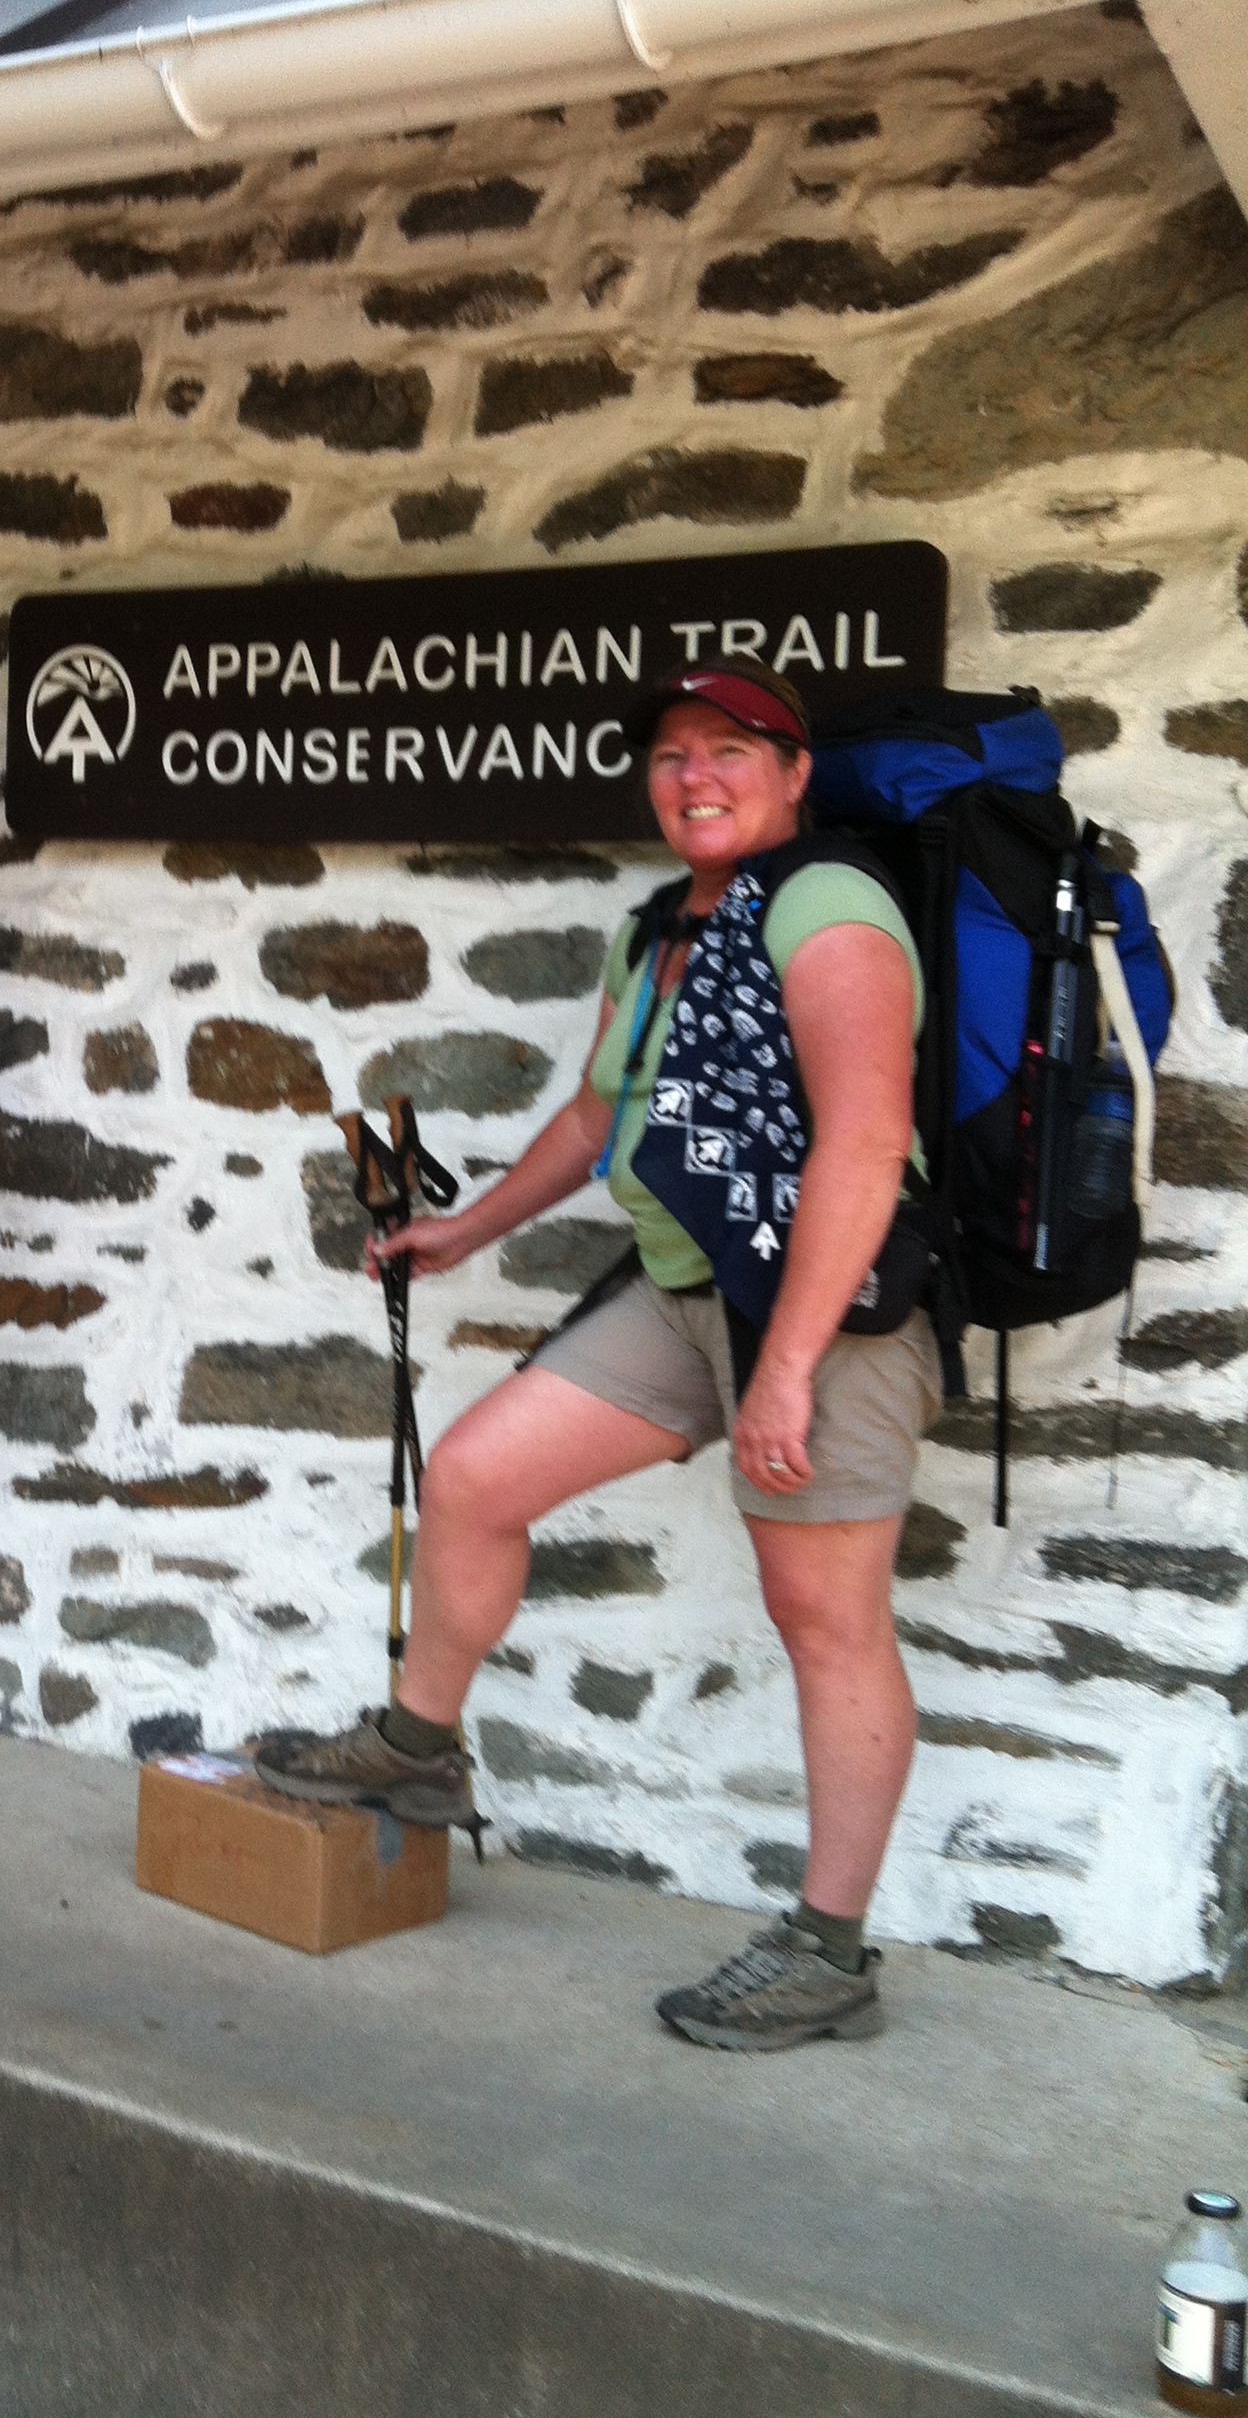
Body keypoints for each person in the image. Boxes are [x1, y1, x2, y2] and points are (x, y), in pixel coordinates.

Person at [257, 655, 940, 2052]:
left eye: (732, 752)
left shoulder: (832, 906)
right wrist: (468, 1228)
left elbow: (867, 1140)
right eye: (673, 756)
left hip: (828, 1304)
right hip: (687, 1288)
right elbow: (595, 1113)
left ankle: (831, 1950)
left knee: (826, 1622)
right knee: (476, 1478)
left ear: (796, 774)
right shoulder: (659, 928)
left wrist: (792, 1363)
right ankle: (421, 1749)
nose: (696, 778)